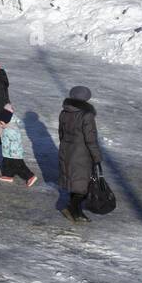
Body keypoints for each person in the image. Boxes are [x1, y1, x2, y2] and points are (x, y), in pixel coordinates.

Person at [57, 85, 102, 224]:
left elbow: (61, 133)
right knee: (83, 186)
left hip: (66, 150)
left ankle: (77, 212)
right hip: (81, 154)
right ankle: (72, 209)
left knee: (74, 183)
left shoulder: (64, 112)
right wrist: (97, 156)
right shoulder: (86, 115)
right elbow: (90, 139)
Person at [0, 107, 36, 187]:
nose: (0, 124)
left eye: (2, 123)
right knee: (6, 163)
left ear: (7, 122)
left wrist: (13, 152)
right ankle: (8, 175)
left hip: (14, 152)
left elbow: (15, 140)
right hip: (7, 151)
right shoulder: (6, 127)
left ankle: (30, 176)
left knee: (19, 166)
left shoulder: (11, 129)